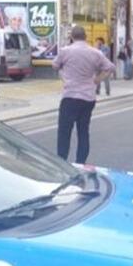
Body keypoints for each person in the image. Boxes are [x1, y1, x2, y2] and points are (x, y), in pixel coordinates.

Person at [53, 25, 115, 164]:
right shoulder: (95, 53)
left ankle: (62, 161)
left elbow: (55, 65)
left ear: (72, 37)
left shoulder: (65, 51)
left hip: (70, 96)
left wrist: (64, 75)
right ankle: (80, 162)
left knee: (64, 132)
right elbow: (110, 67)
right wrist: (97, 79)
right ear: (85, 37)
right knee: (83, 131)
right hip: (88, 97)